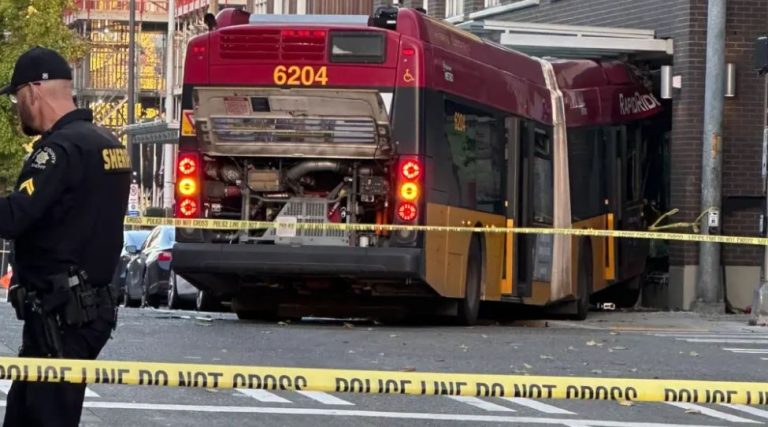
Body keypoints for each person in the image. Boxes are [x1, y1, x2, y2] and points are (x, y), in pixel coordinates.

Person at [0, 46, 130, 426]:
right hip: (84, 309)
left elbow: (14, 217)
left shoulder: (59, 151)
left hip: (62, 316)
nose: (18, 109)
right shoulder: (107, 143)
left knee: (45, 418)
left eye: (16, 98)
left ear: (32, 92)